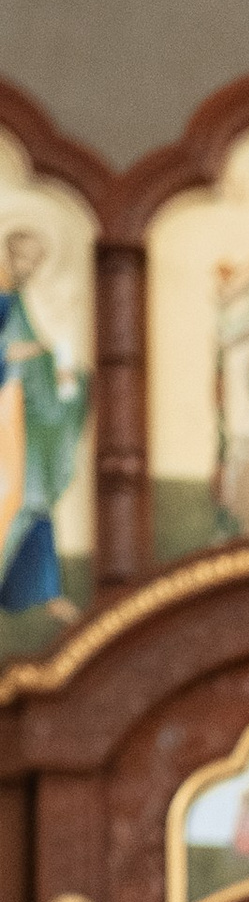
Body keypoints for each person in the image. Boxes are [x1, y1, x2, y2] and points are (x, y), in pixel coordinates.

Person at [0, 223, 89, 625]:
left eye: (33, 261)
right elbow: (14, 350)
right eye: (19, 257)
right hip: (7, 409)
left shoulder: (27, 299)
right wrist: (31, 352)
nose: (26, 266)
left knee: (33, 502)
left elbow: (58, 350)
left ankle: (44, 591)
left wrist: (68, 375)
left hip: (29, 412)